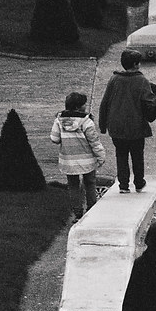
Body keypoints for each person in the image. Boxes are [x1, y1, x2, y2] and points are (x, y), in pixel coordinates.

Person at [98, 48, 156, 194]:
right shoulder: (142, 80)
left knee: (121, 154)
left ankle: (123, 185)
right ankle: (139, 182)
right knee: (137, 155)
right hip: (136, 126)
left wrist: (103, 125)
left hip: (116, 126)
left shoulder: (114, 79)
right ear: (136, 64)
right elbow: (150, 101)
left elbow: (105, 102)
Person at [51, 91, 106, 221]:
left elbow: (54, 138)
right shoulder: (86, 122)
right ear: (77, 107)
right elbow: (94, 142)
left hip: (68, 161)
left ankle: (77, 213)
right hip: (87, 161)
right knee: (90, 184)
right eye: (84, 104)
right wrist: (101, 156)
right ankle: (91, 209)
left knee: (73, 186)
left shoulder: (59, 121)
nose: (86, 106)